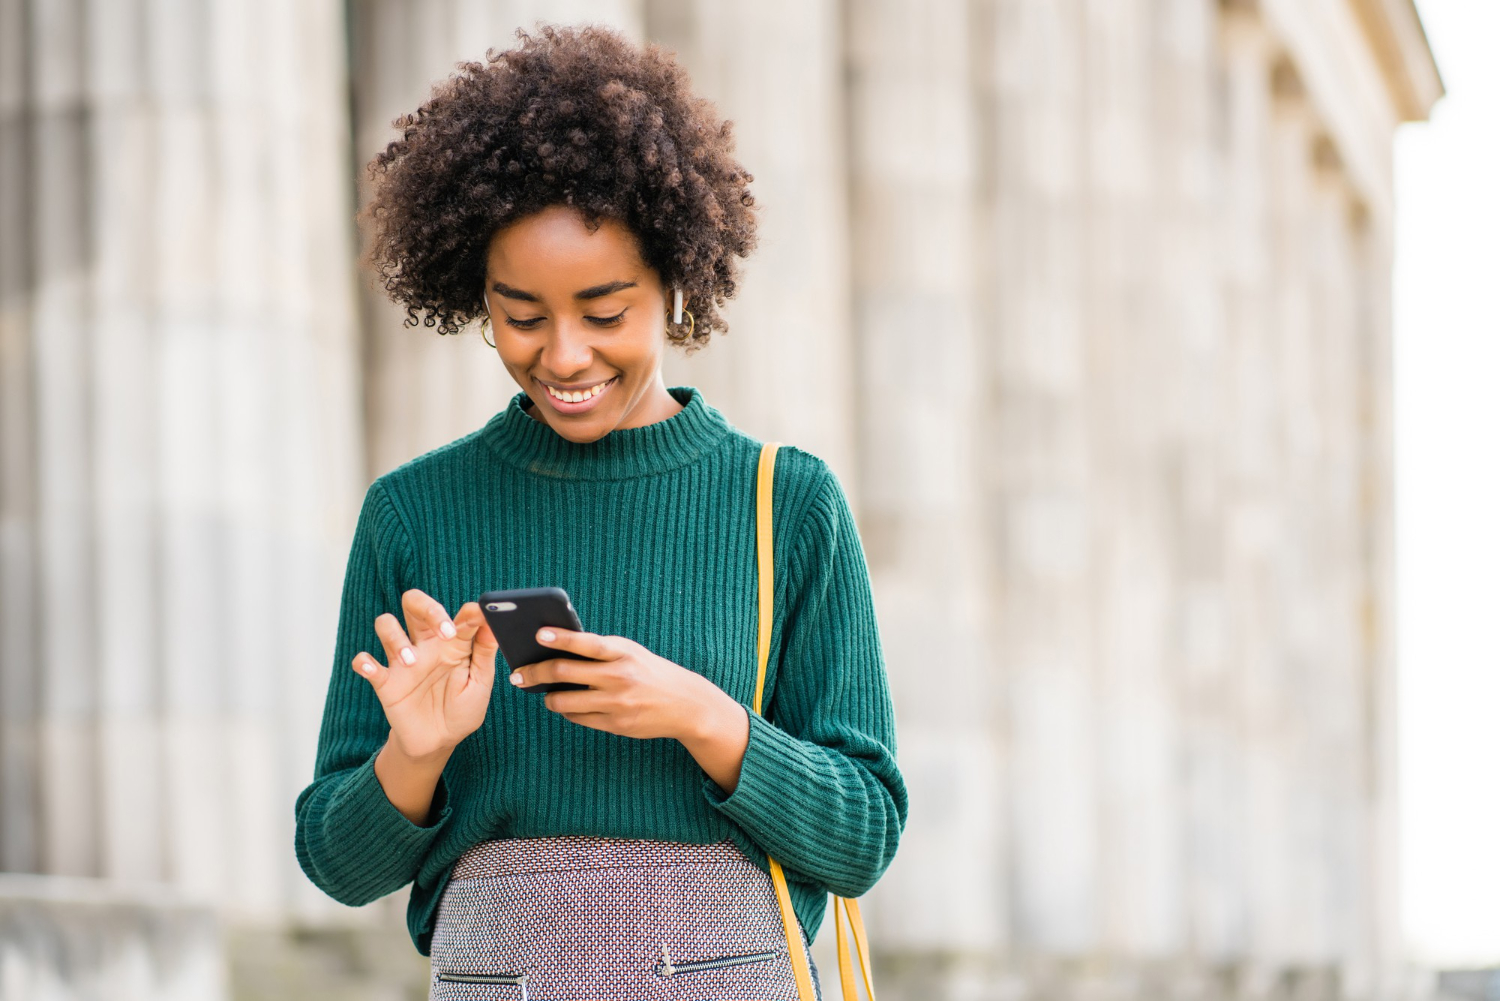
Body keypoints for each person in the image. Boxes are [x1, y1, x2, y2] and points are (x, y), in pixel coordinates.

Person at [294, 24, 906, 1000]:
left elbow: (864, 834)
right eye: (522, 316)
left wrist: (702, 716)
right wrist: (417, 750)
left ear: (675, 279)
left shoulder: (788, 504)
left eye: (606, 311)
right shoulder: (412, 512)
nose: (565, 355)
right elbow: (337, 862)